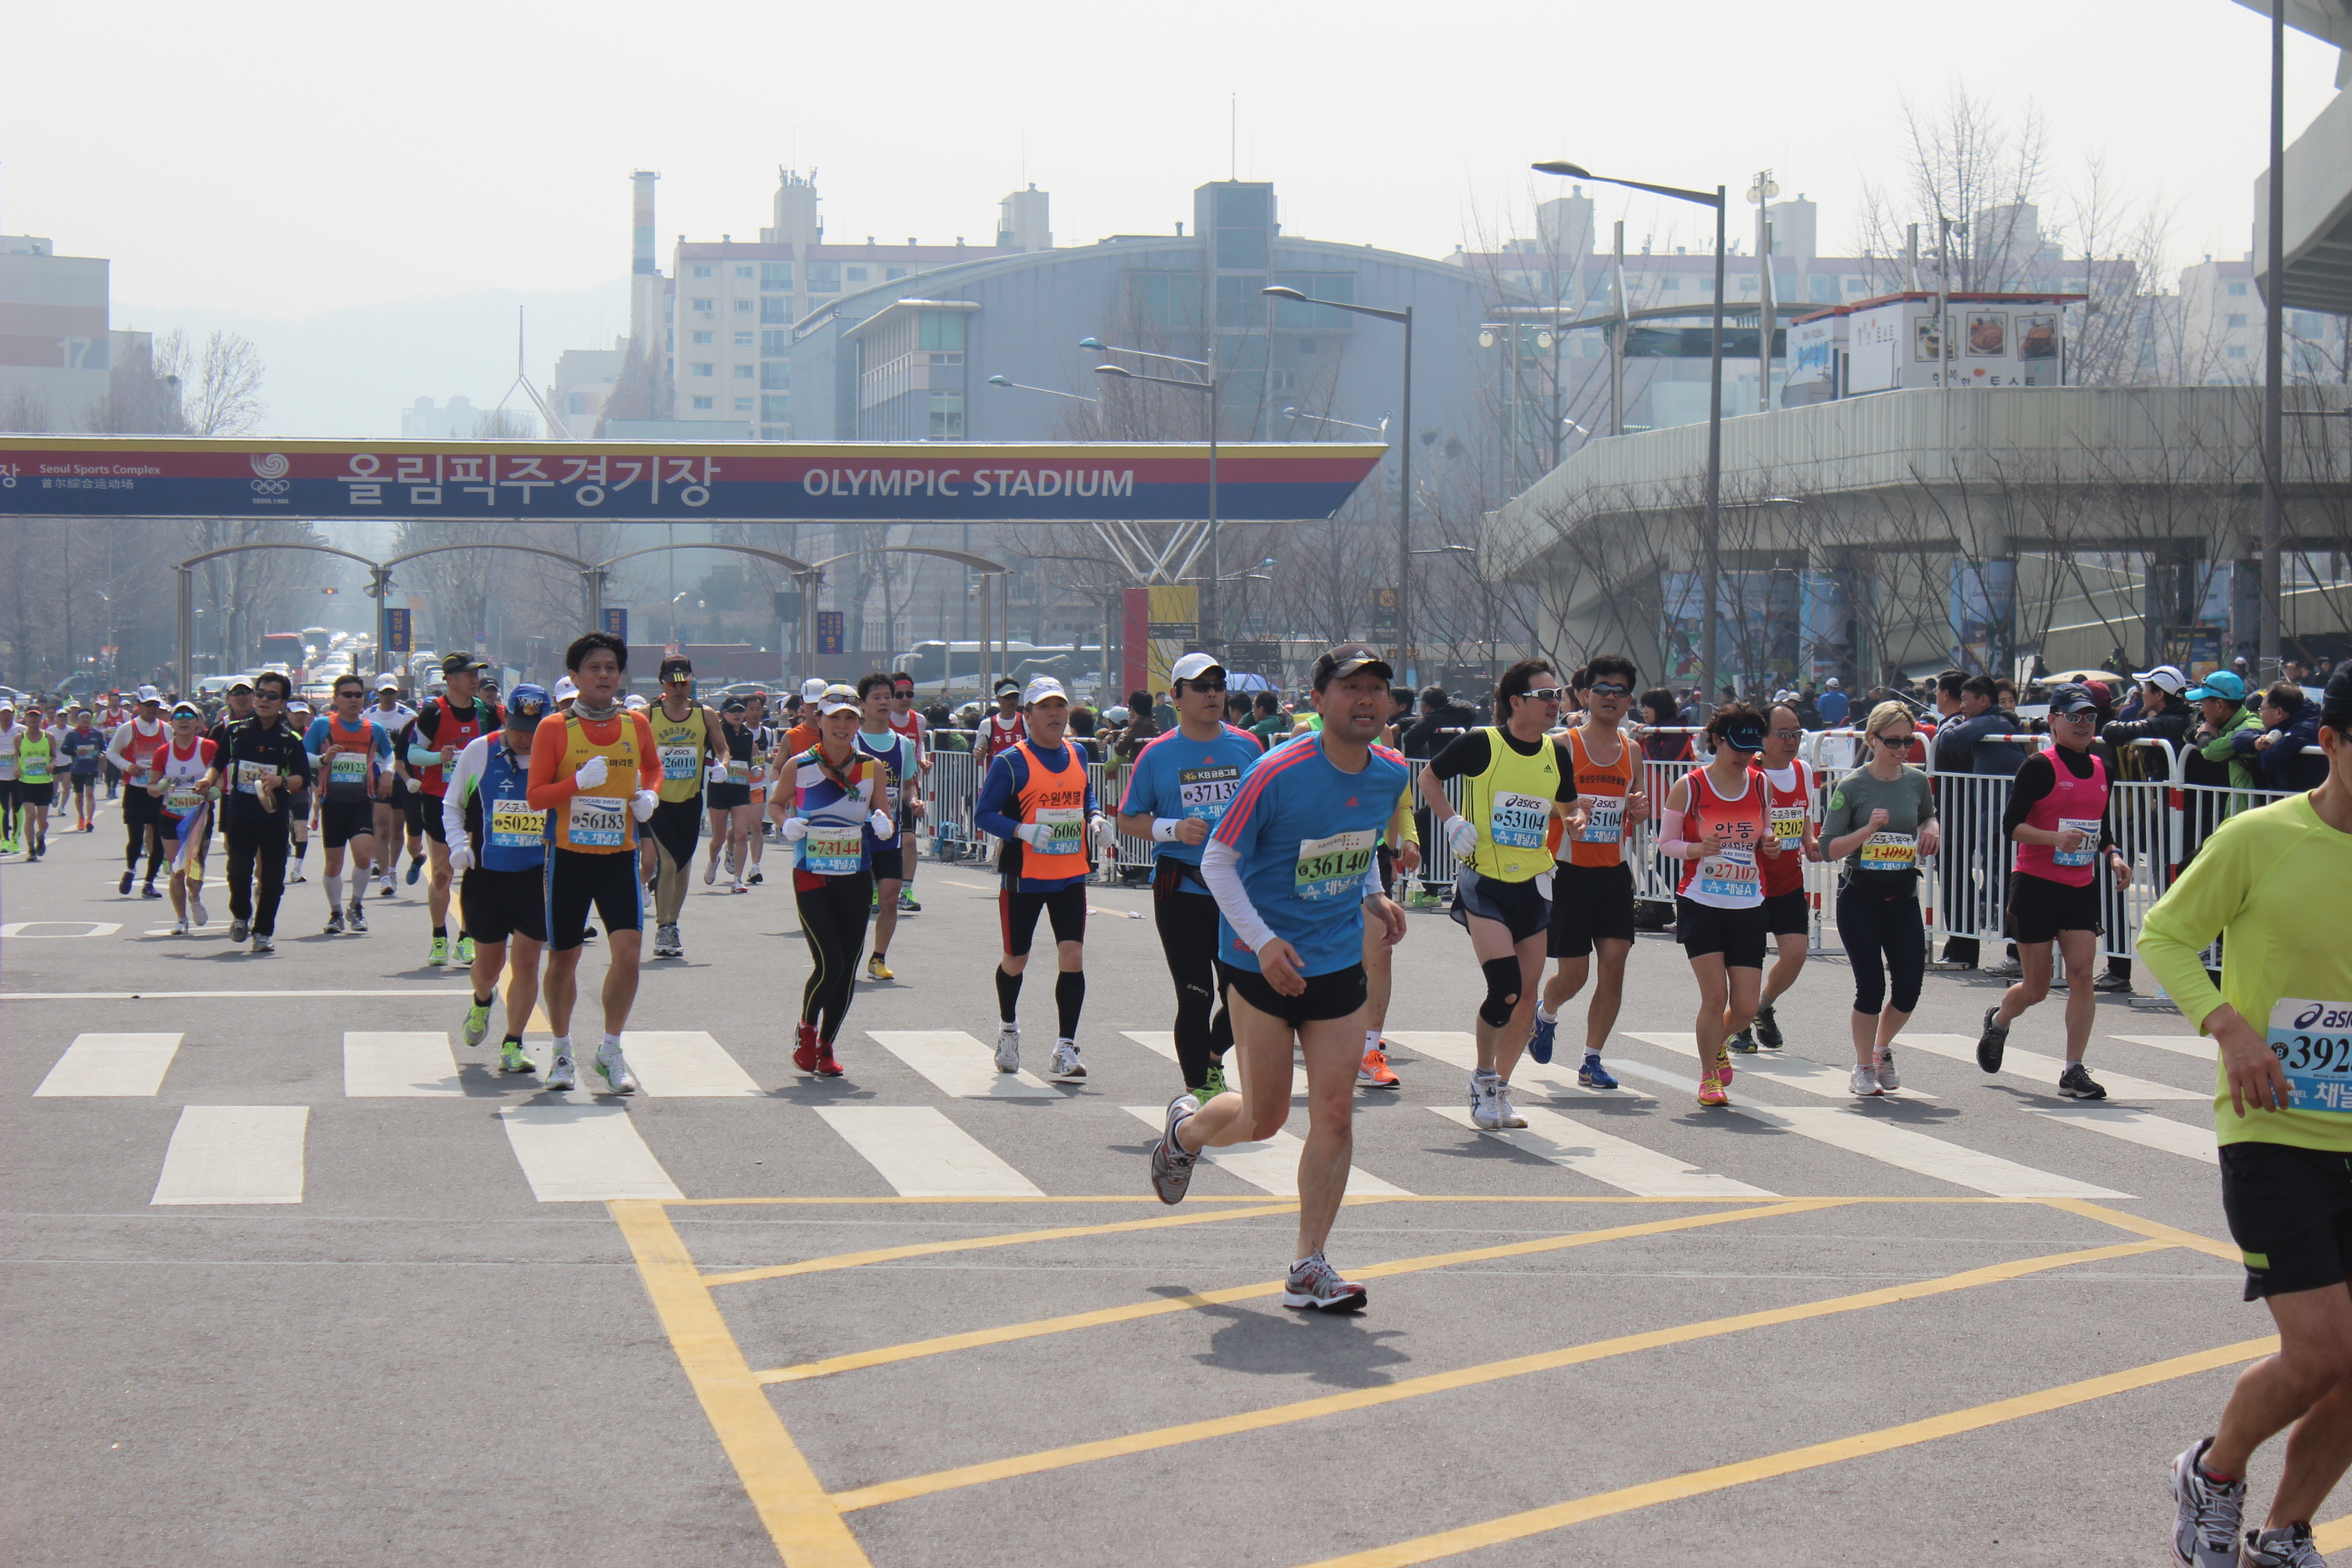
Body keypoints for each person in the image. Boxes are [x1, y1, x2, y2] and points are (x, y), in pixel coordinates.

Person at [2148, 666, 2352, 1568]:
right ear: (2334, 743)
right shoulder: (2261, 838)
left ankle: (2285, 1534)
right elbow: (2164, 934)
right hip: (2275, 1131)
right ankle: (2212, 1474)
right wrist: (2228, 1026)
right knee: (2318, 1353)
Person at [1146, 642, 1412, 1314]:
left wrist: (1374, 893)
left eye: (1377, 689)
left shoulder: (1388, 772)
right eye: (1351, 688)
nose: (1366, 700)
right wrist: (1263, 944)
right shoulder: (1275, 771)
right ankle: (1186, 1133)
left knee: (1334, 1113)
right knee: (1263, 1119)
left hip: (1336, 962)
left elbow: (1355, 837)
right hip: (1259, 964)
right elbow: (1218, 860)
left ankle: (1307, 1264)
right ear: (1318, 700)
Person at [1420, 659, 1582, 1132]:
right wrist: (1451, 821)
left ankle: (1499, 1087)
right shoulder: (1481, 745)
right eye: (1546, 696)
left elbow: (1570, 808)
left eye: (1559, 695)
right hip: (1483, 882)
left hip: (1533, 884)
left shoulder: (1557, 754)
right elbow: (1429, 778)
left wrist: (1575, 820)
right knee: (1505, 987)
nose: (1556, 703)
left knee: (1527, 996)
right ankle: (1482, 1077)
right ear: (1516, 702)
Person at [1116, 652, 1262, 1102]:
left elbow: (1268, 808)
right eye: (1200, 687)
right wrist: (1171, 829)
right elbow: (1127, 818)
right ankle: (1197, 1088)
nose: (1212, 694)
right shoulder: (1158, 754)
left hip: (1238, 887)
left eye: (1218, 685)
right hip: (1180, 887)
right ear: (1176, 697)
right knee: (1196, 995)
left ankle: (1214, 1056)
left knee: (1249, 994)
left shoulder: (1248, 747)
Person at [1975, 684, 2132, 1099]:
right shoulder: (2039, 767)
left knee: (2082, 975)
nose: (2083, 724)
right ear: (2054, 720)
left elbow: (2101, 826)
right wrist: (2052, 838)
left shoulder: (2102, 769)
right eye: (2073, 716)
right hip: (2036, 885)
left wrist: (2113, 855)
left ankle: (2073, 1069)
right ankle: (1999, 1021)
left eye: (2089, 717)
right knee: (2037, 988)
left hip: (2080, 886)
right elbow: (2011, 827)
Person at [524, 632, 661, 1094]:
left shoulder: (635, 724)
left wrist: (650, 796)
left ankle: (610, 1049)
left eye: (610, 668)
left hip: (619, 857)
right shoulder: (553, 728)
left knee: (628, 955)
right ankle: (561, 1052)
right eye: (594, 668)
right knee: (564, 959)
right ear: (574, 676)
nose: (603, 675)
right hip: (569, 858)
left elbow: (653, 767)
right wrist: (576, 782)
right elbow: (537, 795)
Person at [974, 675, 1107, 1080]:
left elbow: (1085, 793)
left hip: (1069, 873)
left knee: (1073, 956)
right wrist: (1021, 830)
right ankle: (1008, 1029)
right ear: (1027, 716)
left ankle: (1065, 1046)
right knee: (1016, 959)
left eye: (1060, 706)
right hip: (1025, 877)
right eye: (1044, 708)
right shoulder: (1010, 761)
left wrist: (1096, 817)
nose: (1054, 714)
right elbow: (984, 814)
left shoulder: (1078, 753)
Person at [1530, 654, 1649, 1090]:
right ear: (1584, 695)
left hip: (1613, 872)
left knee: (1615, 963)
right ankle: (1544, 1014)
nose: (1610, 697)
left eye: (1619, 691)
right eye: (1602, 689)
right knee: (1575, 974)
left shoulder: (1632, 750)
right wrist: (1569, 812)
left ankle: (1591, 1059)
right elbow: (1537, 804)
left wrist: (1637, 808)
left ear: (1629, 701)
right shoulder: (1562, 746)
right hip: (1568, 870)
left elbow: (1632, 807)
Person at [1658, 704, 1781, 1107]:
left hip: (1748, 902)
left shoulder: (1761, 785)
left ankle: (1719, 1043)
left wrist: (1771, 845)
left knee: (1745, 1007)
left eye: (1751, 748)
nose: (1743, 755)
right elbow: (1666, 843)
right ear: (1716, 740)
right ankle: (1709, 1077)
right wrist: (1696, 846)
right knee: (1714, 997)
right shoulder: (1690, 787)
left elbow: (1768, 836)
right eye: (1736, 746)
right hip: (1702, 901)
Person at [1818, 702, 1940, 1095]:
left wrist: (1931, 828)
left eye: (1908, 740)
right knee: (1870, 985)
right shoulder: (1852, 786)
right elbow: (1828, 848)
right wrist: (1868, 830)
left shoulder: (1917, 780)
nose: (1902, 748)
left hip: (1902, 893)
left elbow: (1926, 815)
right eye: (1893, 741)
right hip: (1860, 895)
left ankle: (1881, 1050)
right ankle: (1860, 1066)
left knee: (1909, 986)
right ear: (1872, 740)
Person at [776, 684, 897, 1076]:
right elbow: (775, 804)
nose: (842, 726)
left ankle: (827, 1045)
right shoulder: (800, 765)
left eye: (850, 718)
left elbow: (883, 813)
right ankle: (806, 1029)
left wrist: (883, 823)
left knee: (848, 968)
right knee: (830, 961)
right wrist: (785, 823)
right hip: (811, 875)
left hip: (855, 876)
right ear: (819, 721)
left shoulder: (870, 767)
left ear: (858, 722)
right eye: (835, 718)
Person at [444, 683, 553, 1075]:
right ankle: (481, 998)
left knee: (526, 961)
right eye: (520, 727)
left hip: (536, 877)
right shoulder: (480, 751)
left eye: (535, 729)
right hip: (487, 875)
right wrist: (457, 843)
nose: (526, 738)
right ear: (505, 717)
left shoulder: (557, 754)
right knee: (489, 965)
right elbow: (451, 804)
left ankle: (513, 1043)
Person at [1730, 701, 1820, 1054]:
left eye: (1796, 733)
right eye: (1782, 733)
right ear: (1762, 737)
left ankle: (1761, 1007)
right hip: (1749, 883)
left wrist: (1809, 839)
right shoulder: (1747, 773)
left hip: (1787, 882)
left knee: (1795, 954)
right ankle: (1738, 1022)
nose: (1791, 740)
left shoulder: (1803, 770)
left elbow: (1804, 814)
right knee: (1747, 962)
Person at [407, 653, 502, 966]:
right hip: (440, 799)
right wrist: (439, 757)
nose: (474, 679)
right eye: (466, 674)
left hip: (478, 800)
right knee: (442, 872)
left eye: (476, 673)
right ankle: (438, 937)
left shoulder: (488, 713)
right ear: (449, 679)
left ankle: (466, 938)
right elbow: (413, 753)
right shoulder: (434, 712)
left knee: (474, 871)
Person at [211, 671, 313, 955]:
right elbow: (217, 762)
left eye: (272, 696)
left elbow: (302, 778)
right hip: (240, 813)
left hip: (274, 816)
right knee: (238, 870)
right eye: (260, 694)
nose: (264, 700)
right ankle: (241, 916)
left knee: (272, 877)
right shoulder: (236, 731)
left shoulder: (288, 739)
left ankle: (264, 931)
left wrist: (280, 781)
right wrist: (207, 781)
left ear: (282, 703)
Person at [304, 674, 393, 935]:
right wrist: (323, 759)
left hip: (361, 802)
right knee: (334, 863)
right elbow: (303, 755)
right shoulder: (323, 725)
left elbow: (389, 755)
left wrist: (387, 773)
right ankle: (335, 913)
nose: (354, 699)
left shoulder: (372, 728)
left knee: (364, 855)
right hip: (332, 802)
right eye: (348, 695)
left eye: (358, 695)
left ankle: (356, 905)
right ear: (336, 698)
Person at [847, 673, 920, 979]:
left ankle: (878, 958)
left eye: (887, 696)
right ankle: (848, 956)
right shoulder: (851, 740)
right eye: (876, 697)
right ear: (862, 704)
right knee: (856, 903)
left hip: (887, 834)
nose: (884, 702)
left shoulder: (902, 744)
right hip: (855, 835)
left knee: (890, 896)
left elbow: (906, 787)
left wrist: (913, 802)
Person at [645, 655, 720, 958]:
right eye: (672, 683)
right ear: (662, 683)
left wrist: (721, 766)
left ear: (691, 682)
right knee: (669, 862)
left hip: (690, 800)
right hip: (658, 800)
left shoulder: (704, 715)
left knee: (684, 864)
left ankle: (673, 922)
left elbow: (722, 749)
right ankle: (664, 926)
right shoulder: (646, 715)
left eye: (685, 682)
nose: (679, 688)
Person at [151, 701, 219, 935]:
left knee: (195, 867)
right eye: (178, 716)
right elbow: (151, 786)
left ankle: (195, 898)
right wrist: (159, 787)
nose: (183, 720)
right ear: (171, 723)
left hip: (199, 817)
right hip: (171, 815)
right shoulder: (163, 752)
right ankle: (180, 919)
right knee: (176, 870)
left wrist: (214, 790)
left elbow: (220, 779)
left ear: (198, 723)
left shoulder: (209, 747)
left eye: (189, 716)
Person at [108, 687, 172, 897]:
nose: (152, 709)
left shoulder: (166, 729)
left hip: (158, 791)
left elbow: (173, 755)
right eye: (147, 705)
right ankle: (130, 870)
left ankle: (149, 882)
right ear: (139, 706)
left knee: (159, 840)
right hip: (136, 790)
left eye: (155, 705)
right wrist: (128, 766)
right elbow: (110, 752)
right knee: (135, 839)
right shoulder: (128, 728)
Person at [701, 696, 760, 894]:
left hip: (741, 788)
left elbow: (747, 759)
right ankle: (712, 861)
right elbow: (706, 755)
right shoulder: (716, 733)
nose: (737, 714)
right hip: (719, 787)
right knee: (717, 838)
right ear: (723, 714)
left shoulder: (747, 734)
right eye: (732, 711)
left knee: (742, 834)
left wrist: (754, 768)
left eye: (739, 711)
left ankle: (737, 880)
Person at [368, 676, 419, 896]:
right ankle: (384, 878)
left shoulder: (409, 716)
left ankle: (392, 869)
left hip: (401, 778)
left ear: (398, 692)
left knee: (398, 829)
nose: (387, 696)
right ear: (376, 693)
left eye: (391, 692)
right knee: (382, 828)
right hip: (379, 776)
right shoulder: (368, 716)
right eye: (383, 692)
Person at [886, 671, 929, 910]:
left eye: (909, 694)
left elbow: (919, 746)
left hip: (907, 788)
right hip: (881, 789)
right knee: (880, 840)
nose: (904, 698)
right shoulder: (881, 719)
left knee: (909, 840)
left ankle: (906, 891)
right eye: (899, 694)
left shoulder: (919, 720)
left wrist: (922, 761)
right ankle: (875, 891)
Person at [2248, 681, 2328, 794]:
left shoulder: (2305, 729)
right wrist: (2256, 741)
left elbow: (2269, 759)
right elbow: (2239, 737)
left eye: (2262, 710)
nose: (2261, 716)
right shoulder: (2285, 725)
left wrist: (2264, 748)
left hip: (2311, 803)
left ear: (2279, 712)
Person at [12, 703, 57, 859]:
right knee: (30, 816)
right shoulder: (19, 738)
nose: (33, 719)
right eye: (30, 716)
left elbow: (54, 756)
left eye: (36, 716)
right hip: (26, 782)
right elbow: (16, 755)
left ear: (40, 718)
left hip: (44, 782)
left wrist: (52, 765)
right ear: (25, 718)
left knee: (42, 821)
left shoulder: (48, 737)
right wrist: (16, 768)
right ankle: (31, 849)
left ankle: (40, 835)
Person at [60, 707, 104, 832]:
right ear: (78, 720)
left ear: (91, 719)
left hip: (92, 767)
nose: (85, 720)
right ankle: (81, 817)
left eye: (88, 718)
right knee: (79, 796)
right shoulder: (72, 735)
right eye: (83, 718)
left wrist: (101, 754)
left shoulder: (97, 734)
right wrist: (75, 752)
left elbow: (104, 747)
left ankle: (89, 820)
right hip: (77, 769)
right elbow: (64, 749)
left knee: (89, 793)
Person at [979, 680, 1028, 768]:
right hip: (997, 775)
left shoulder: (1027, 721)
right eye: (1007, 697)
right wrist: (979, 753)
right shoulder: (987, 724)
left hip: (1022, 775)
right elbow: (977, 751)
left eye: (1015, 696)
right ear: (998, 698)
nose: (1012, 700)